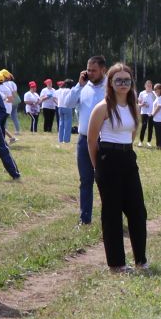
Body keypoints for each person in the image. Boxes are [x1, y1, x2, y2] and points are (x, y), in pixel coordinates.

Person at [84, 61, 150, 272]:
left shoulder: (133, 106)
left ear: (131, 83)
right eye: (118, 80)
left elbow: (131, 134)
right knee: (112, 213)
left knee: (138, 210)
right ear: (110, 83)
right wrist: (98, 168)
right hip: (108, 158)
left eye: (126, 80)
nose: (123, 84)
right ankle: (117, 264)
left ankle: (141, 260)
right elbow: (92, 140)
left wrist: (126, 153)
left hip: (127, 157)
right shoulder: (103, 107)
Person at [70, 56, 109, 224]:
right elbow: (67, 103)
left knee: (107, 180)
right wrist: (79, 85)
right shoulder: (83, 87)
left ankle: (110, 218)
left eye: (93, 70)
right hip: (84, 140)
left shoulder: (111, 87)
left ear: (103, 70)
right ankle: (84, 219)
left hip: (105, 141)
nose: (89, 73)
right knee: (85, 180)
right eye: (88, 70)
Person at [0, 70, 20, 137]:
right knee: (14, 116)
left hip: (7, 101)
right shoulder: (12, 83)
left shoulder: (2, 85)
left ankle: (4, 131)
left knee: (3, 119)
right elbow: (14, 93)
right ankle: (17, 131)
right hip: (15, 100)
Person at [137, 80, 155, 146]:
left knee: (150, 127)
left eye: (150, 86)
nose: (149, 87)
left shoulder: (154, 93)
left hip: (152, 112)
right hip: (144, 112)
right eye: (148, 85)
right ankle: (140, 141)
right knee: (144, 126)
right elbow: (139, 103)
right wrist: (142, 104)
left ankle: (149, 142)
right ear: (145, 86)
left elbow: (157, 101)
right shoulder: (142, 93)